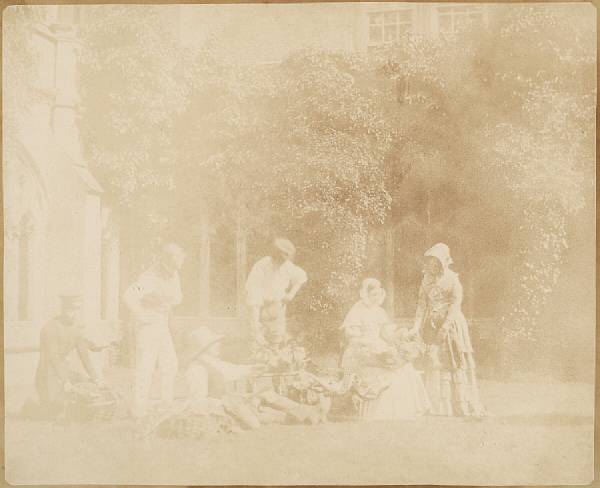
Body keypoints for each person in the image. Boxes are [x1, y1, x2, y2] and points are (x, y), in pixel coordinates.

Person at [181, 326, 327, 428]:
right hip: (219, 408)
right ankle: (304, 414)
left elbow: (233, 370)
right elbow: (197, 401)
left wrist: (253, 369)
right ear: (205, 348)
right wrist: (226, 403)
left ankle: (306, 411)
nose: (218, 346)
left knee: (265, 393)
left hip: (228, 402)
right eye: (214, 344)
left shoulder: (212, 362)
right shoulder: (197, 369)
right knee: (256, 417)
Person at [409, 243, 485, 417]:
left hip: (451, 325)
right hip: (432, 324)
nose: (432, 266)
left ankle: (459, 405)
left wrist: (445, 326)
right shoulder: (426, 280)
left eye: (436, 263)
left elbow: (455, 304)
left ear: (443, 263)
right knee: (435, 362)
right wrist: (416, 326)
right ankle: (438, 406)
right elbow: (422, 304)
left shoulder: (452, 279)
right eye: (430, 263)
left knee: (453, 361)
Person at [340, 279, 430, 421]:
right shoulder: (357, 310)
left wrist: (402, 336)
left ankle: (403, 410)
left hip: (378, 344)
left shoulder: (379, 311)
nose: (375, 298)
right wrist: (364, 342)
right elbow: (351, 334)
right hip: (361, 347)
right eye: (372, 295)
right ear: (366, 294)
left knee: (403, 367)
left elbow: (386, 333)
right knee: (382, 367)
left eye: (378, 295)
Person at [123, 242, 185, 419]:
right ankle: (139, 408)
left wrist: (164, 305)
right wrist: (143, 316)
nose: (174, 269)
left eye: (177, 265)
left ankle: (166, 404)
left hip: (162, 323)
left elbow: (177, 298)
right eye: (172, 264)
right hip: (147, 326)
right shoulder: (148, 277)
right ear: (164, 261)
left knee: (170, 363)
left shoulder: (173, 273)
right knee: (146, 365)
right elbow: (128, 297)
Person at [34, 295, 106, 419]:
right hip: (47, 376)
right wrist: (65, 381)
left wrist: (95, 378)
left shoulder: (75, 329)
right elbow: (54, 358)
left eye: (77, 309)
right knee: (55, 414)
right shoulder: (49, 328)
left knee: (87, 391)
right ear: (63, 309)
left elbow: (84, 356)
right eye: (71, 309)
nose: (74, 313)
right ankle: (37, 408)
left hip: (63, 372)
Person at [245, 238, 307, 346]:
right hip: (260, 311)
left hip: (278, 309)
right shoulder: (260, 268)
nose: (283, 263)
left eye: (285, 260)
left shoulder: (287, 266)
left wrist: (290, 294)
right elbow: (254, 301)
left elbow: (301, 277)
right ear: (274, 256)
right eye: (280, 260)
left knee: (276, 344)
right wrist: (257, 331)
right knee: (257, 345)